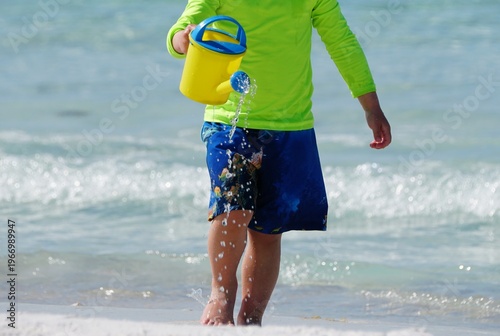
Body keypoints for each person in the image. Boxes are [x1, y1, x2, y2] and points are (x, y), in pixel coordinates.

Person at [166, 0, 391, 327]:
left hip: (290, 126)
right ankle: (220, 295)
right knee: (232, 208)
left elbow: (341, 42)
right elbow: (184, 27)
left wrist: (370, 105)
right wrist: (182, 40)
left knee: (268, 231)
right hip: (230, 120)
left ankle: (251, 316)